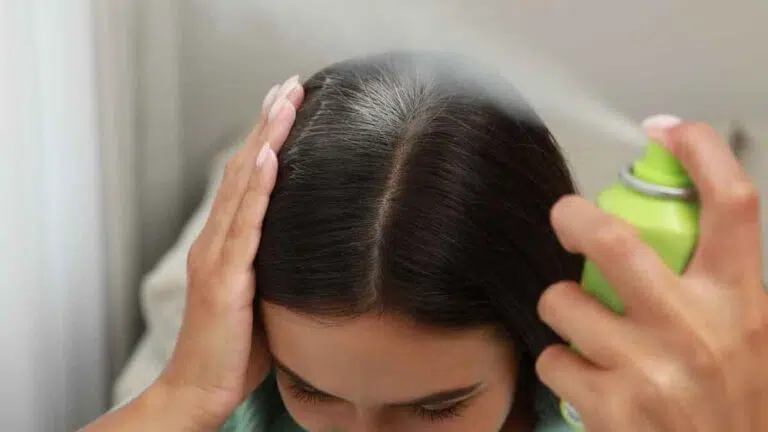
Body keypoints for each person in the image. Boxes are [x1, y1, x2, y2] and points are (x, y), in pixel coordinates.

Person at [83, 52, 768, 432]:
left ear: (530, 350)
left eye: (436, 409)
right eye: (312, 391)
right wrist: (181, 395)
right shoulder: (241, 411)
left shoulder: (617, 415)